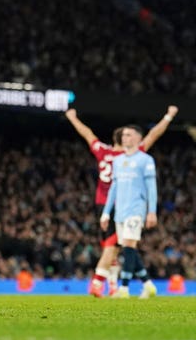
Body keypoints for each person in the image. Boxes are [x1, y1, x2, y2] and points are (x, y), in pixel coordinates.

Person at [65, 105, 177, 297]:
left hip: (102, 204)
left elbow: (87, 134)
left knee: (120, 246)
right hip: (121, 204)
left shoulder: (102, 151)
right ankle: (104, 283)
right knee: (119, 246)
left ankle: (122, 285)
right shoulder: (130, 155)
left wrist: (72, 118)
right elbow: (153, 135)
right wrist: (168, 117)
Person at [100, 125, 158, 299]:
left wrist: (151, 211)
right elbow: (113, 188)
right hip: (120, 211)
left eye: (129, 135)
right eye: (124, 135)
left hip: (136, 209)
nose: (125, 138)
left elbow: (151, 188)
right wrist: (105, 212)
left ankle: (123, 289)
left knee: (128, 247)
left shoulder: (146, 160)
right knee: (128, 248)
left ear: (138, 138)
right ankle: (148, 285)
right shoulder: (118, 161)